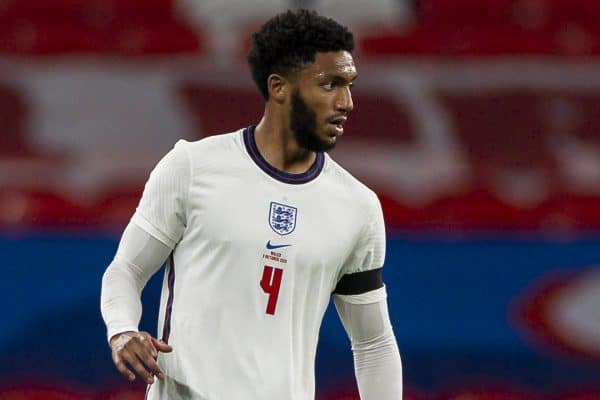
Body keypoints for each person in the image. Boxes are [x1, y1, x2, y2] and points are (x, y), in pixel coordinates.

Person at [100, 9, 402, 400]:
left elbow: (373, 343)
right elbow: (127, 269)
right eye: (330, 84)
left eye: (349, 85)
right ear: (280, 87)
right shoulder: (192, 167)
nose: (346, 102)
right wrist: (122, 330)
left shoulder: (358, 206)